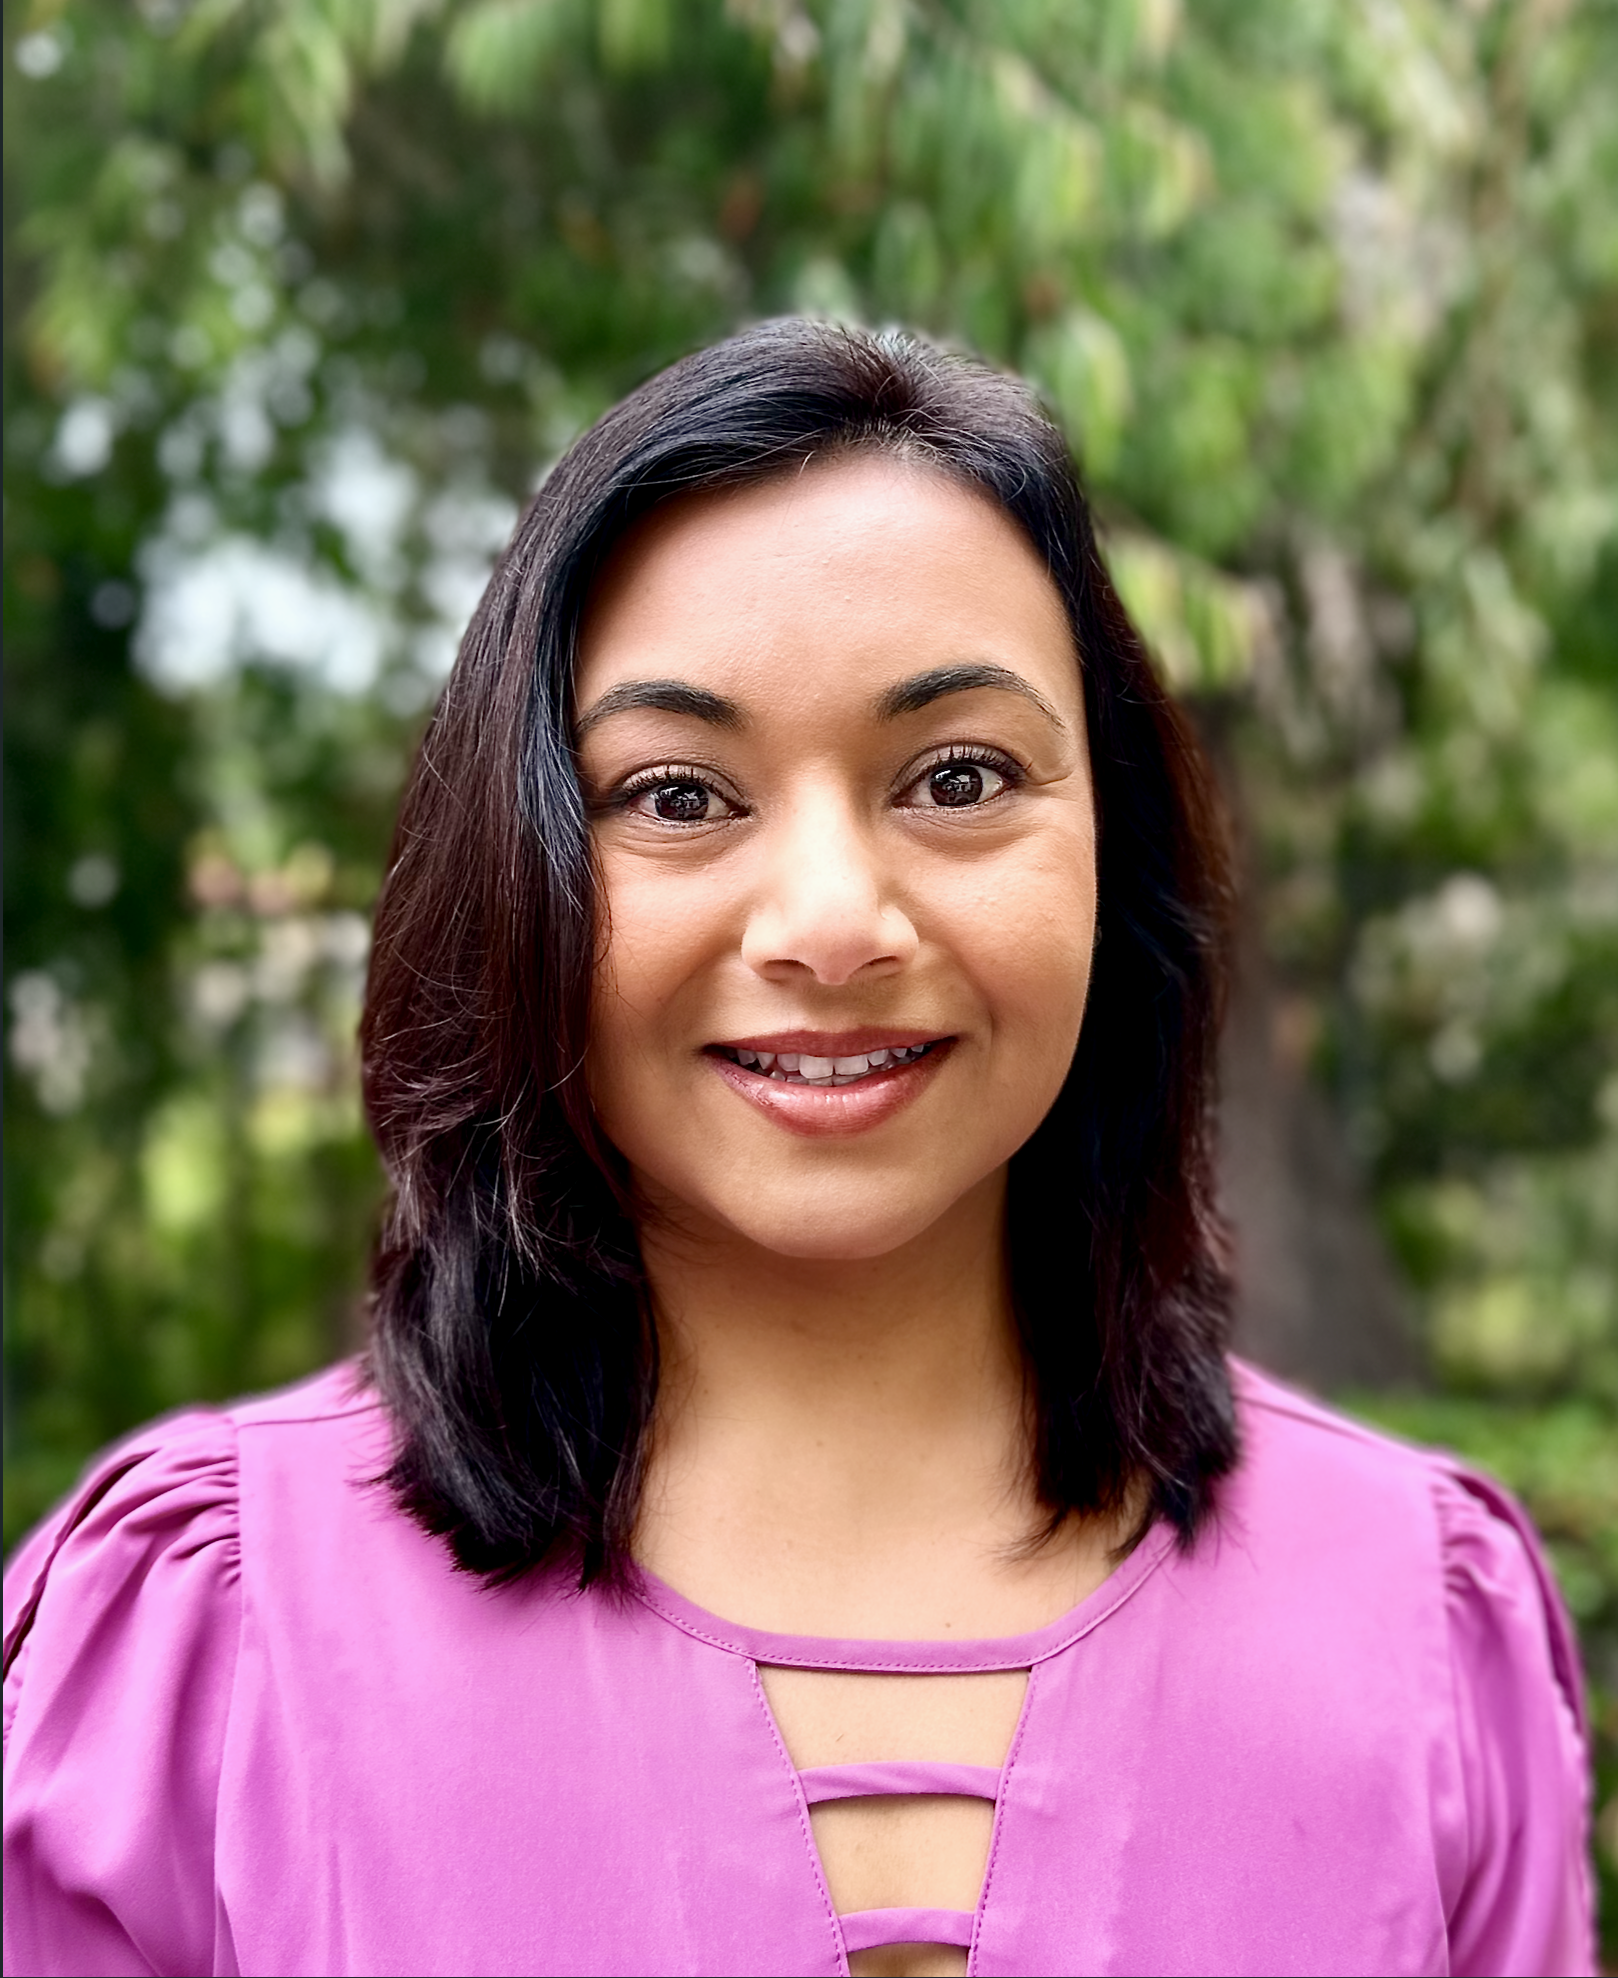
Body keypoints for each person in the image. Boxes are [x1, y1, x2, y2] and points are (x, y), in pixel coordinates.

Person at [2, 322, 1593, 1978]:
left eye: (959, 774)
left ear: (1112, 846)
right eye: (679, 794)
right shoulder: (202, 1646)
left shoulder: (1422, 1631)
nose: (831, 925)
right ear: (516, 867)